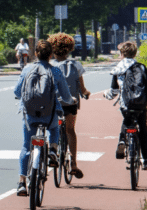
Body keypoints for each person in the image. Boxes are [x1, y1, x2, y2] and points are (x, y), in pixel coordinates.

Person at [14, 40, 77, 196]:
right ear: (50, 55)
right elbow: (65, 96)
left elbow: (16, 92)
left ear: (35, 53)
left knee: (25, 147)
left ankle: (22, 182)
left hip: (29, 114)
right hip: (49, 115)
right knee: (55, 129)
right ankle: (53, 150)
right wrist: (72, 101)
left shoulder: (27, 69)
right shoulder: (55, 71)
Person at [103, 41, 147, 170]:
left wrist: (105, 95)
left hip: (126, 104)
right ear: (135, 54)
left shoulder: (118, 69)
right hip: (141, 104)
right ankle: (146, 160)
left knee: (127, 119)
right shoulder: (141, 67)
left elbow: (113, 92)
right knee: (143, 127)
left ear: (121, 54)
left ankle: (122, 141)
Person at [47, 33, 91, 179]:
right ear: (70, 48)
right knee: (70, 130)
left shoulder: (50, 66)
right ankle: (73, 164)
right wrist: (85, 93)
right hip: (70, 104)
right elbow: (82, 87)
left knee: (52, 128)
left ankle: (52, 151)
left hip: (54, 104)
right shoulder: (75, 64)